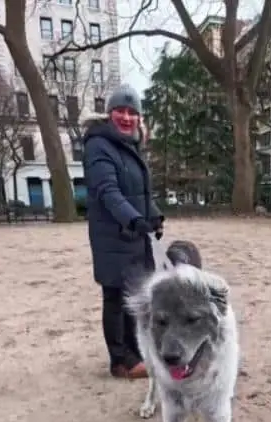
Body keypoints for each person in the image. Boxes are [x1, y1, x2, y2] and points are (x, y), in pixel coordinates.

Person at [84, 84, 164, 379]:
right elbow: (108, 191)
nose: (127, 117)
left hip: (134, 238)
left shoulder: (131, 146)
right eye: (121, 111)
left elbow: (139, 193)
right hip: (113, 236)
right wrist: (132, 220)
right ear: (110, 113)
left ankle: (136, 351)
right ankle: (120, 361)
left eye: (133, 113)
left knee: (136, 297)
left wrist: (153, 217)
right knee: (116, 298)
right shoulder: (99, 145)